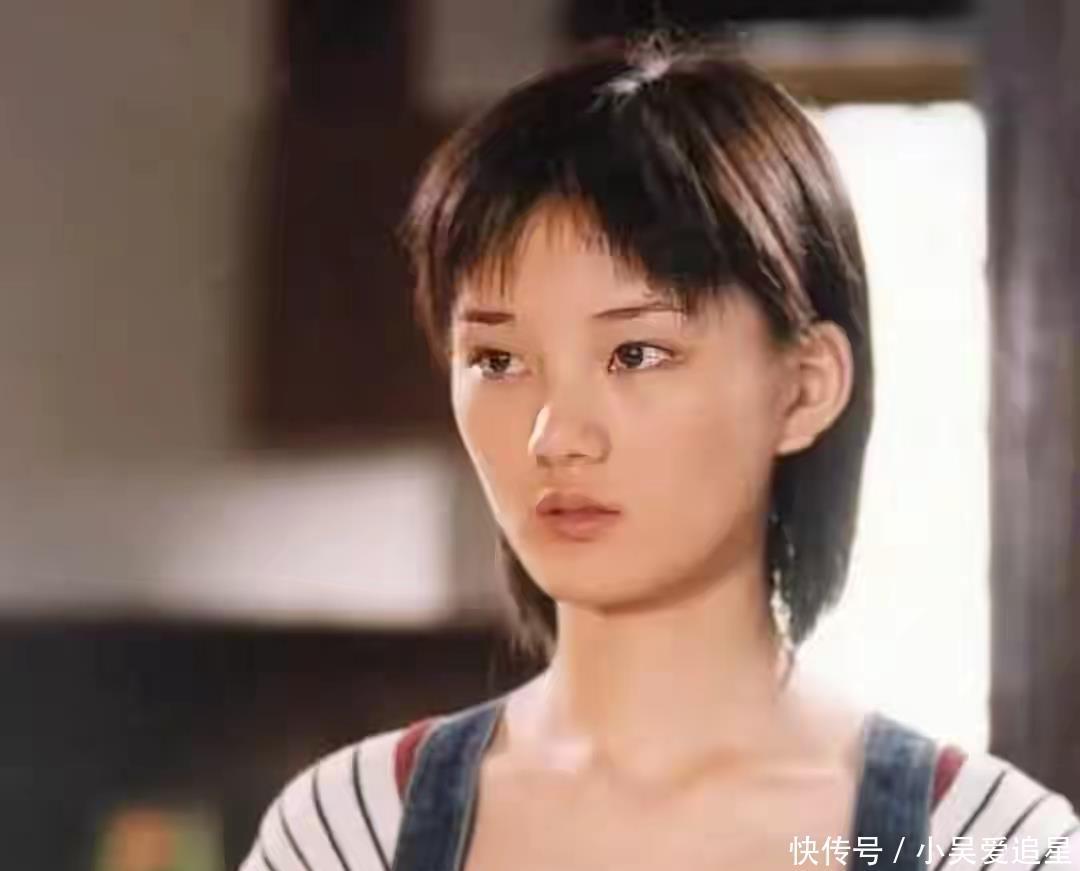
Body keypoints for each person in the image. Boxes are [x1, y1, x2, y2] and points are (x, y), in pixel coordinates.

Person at [238, 36, 1078, 871]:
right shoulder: (353, 829)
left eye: (636, 353)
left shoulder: (979, 842)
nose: (553, 435)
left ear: (804, 388)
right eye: (497, 360)